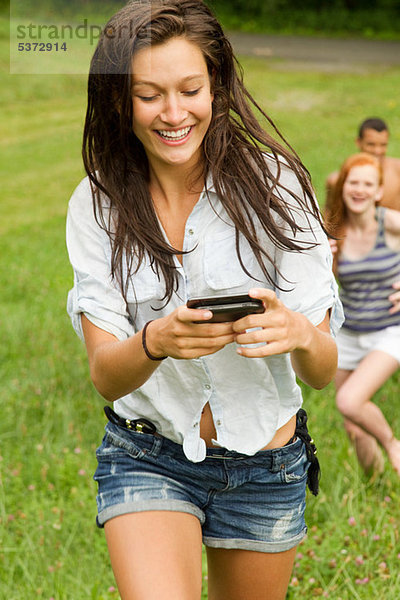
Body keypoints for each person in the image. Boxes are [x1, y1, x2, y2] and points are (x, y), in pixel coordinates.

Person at [66, 1, 342, 599]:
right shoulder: (96, 205)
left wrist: (297, 331)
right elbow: (107, 377)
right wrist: (154, 342)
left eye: (191, 89)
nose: (173, 113)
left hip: (266, 467)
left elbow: (322, 371)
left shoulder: (275, 186)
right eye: (149, 95)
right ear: (119, 100)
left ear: (215, 86)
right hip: (148, 452)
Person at [325, 152, 400, 478]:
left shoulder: (391, 223)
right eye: (353, 182)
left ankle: (393, 445)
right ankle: (377, 488)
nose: (360, 190)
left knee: (350, 401)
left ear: (379, 191)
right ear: (343, 187)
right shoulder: (333, 230)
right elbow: (320, 289)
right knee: (354, 429)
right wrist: (323, 261)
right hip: (348, 333)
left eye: (368, 184)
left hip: (389, 329)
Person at [325, 117, 400, 212]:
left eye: (383, 145)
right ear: (358, 142)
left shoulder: (398, 171)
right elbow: (330, 216)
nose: (378, 151)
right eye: (371, 144)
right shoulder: (336, 181)